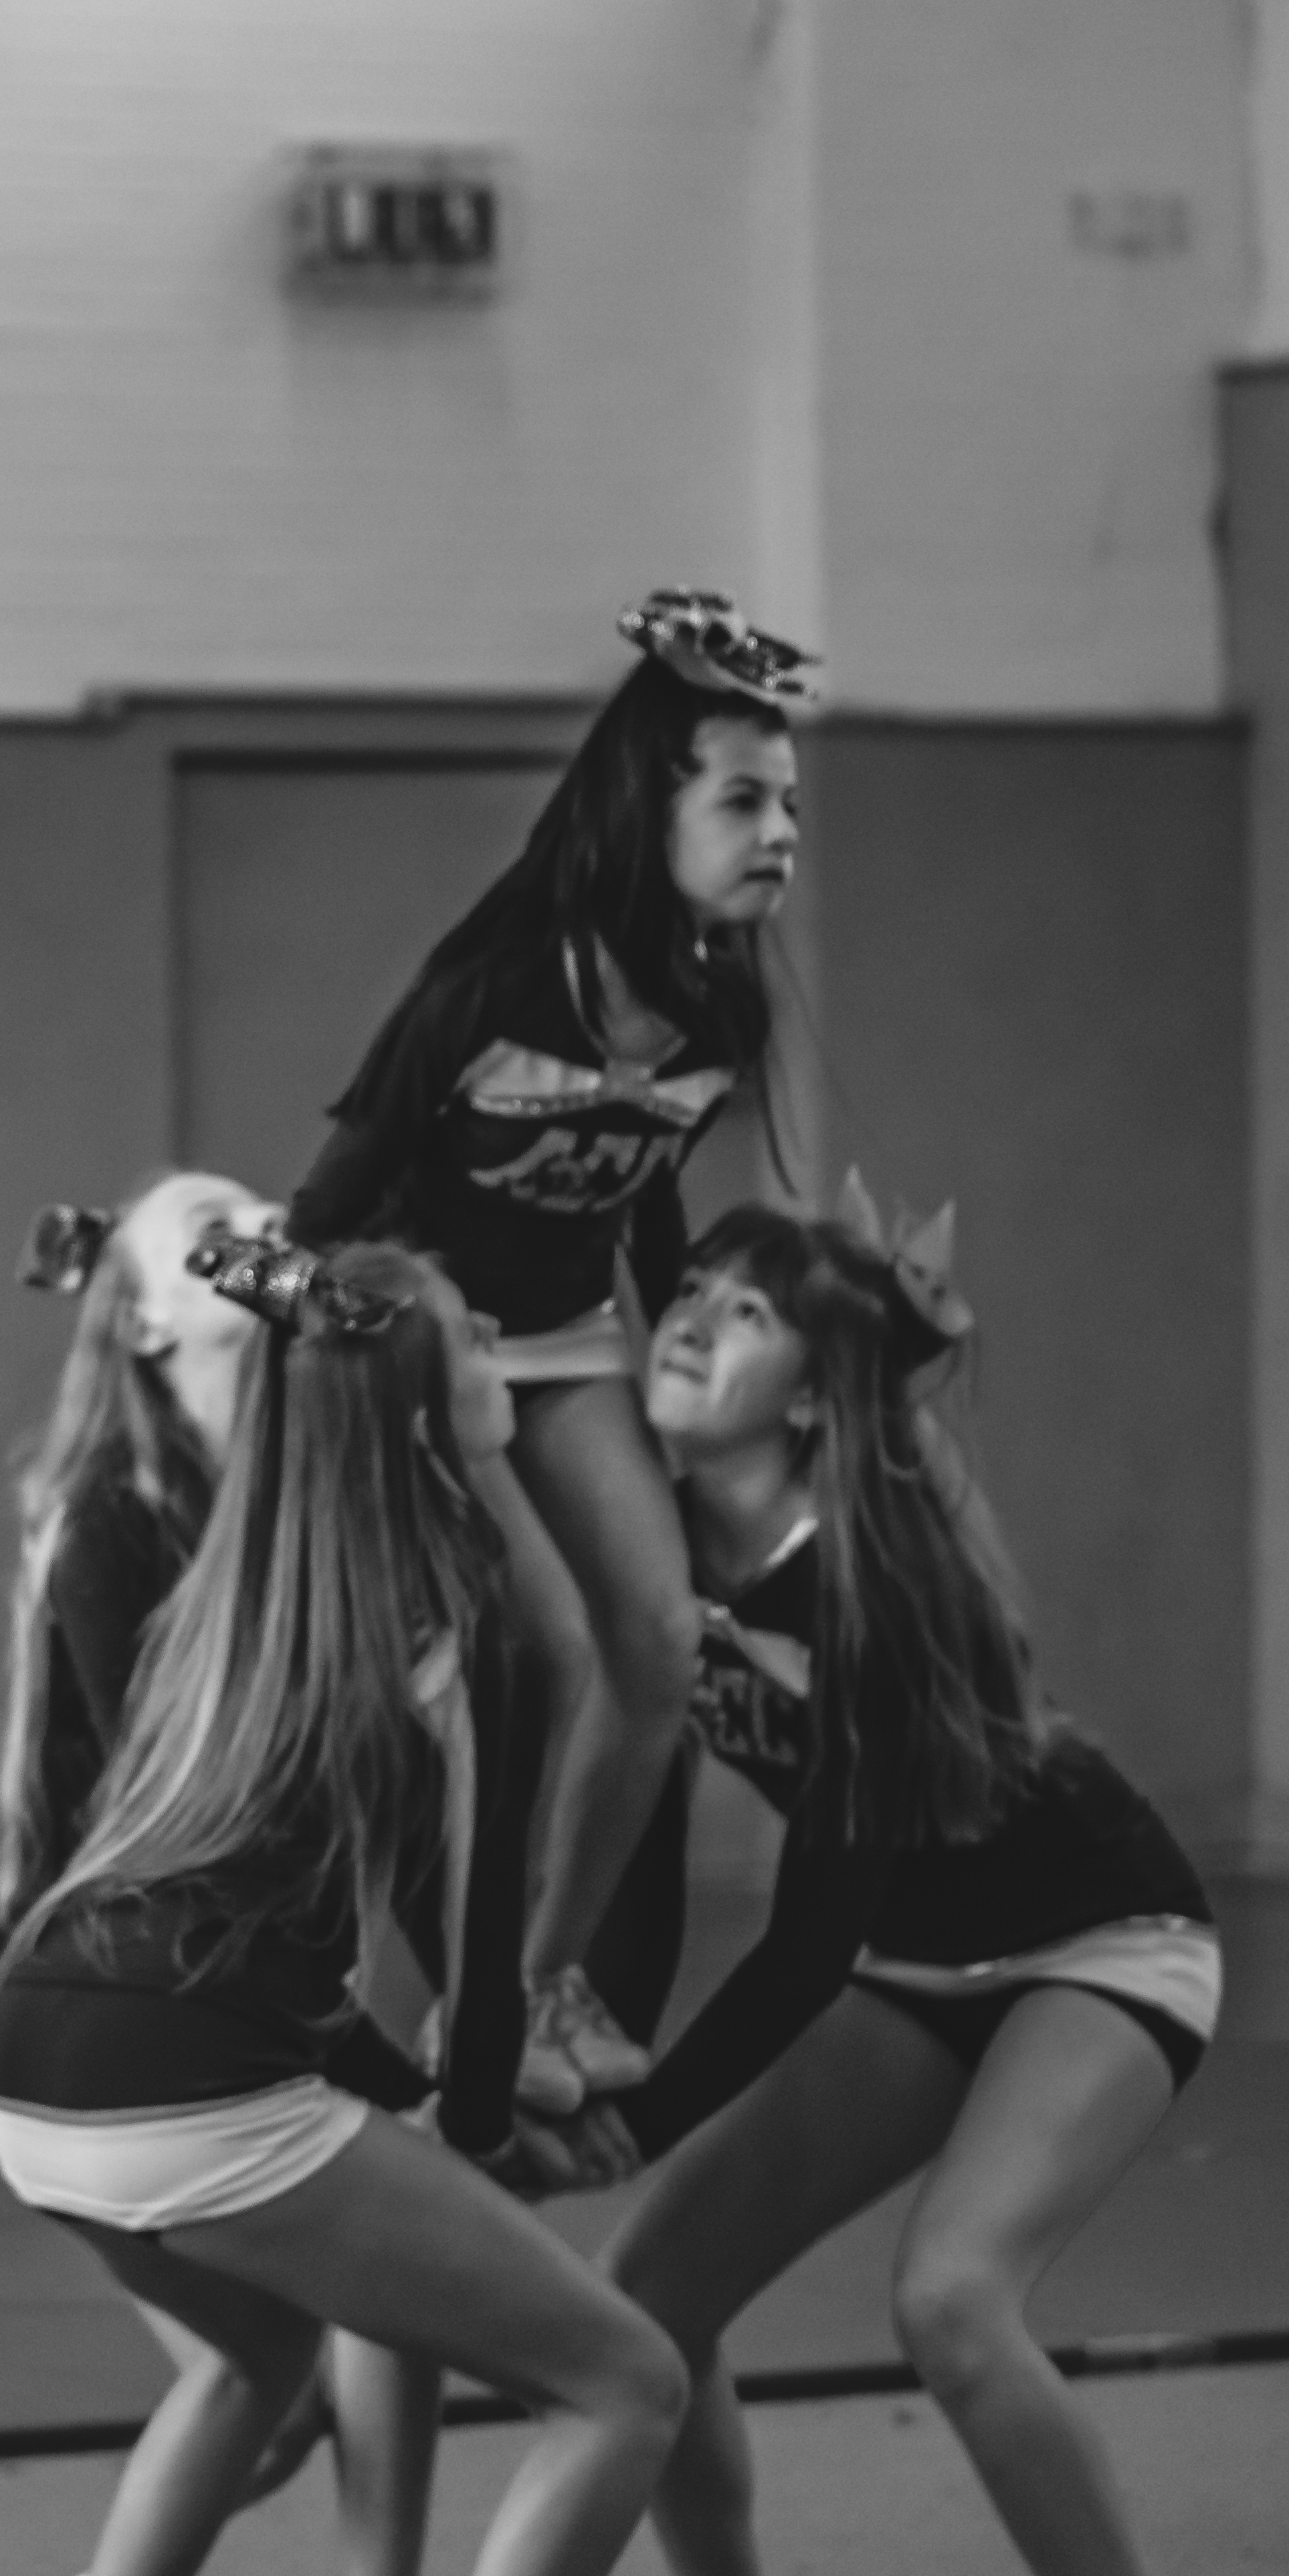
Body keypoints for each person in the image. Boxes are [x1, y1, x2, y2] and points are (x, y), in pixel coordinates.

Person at [0, 1223, 690, 2576]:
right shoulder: (449, 1607)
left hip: (38, 2059)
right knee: (626, 2383)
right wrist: (493, 2108)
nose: (504, 1361)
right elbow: (477, 1952)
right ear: (433, 1395)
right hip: (190, 2088)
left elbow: (284, 1953)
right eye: (476, 1342)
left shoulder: (227, 1563)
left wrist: (442, 2104)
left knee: (254, 2359)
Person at [527, 1200, 1240, 2576]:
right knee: (650, 2301)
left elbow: (808, 1935)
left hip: (1100, 1934)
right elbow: (631, 1814)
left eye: (750, 1308)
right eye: (691, 1289)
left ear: (818, 1395)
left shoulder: (854, 1571)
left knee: (954, 2295)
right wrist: (578, 2025)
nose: (697, 1316)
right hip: (927, 1953)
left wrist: (639, 2111)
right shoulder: (658, 1551)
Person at [288, 590, 809, 2114]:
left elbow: (646, 1204)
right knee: (552, 1648)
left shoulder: (723, 1005)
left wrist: (693, 1376)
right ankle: (457, 1977)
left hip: (573, 1344)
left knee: (661, 1645)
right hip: (431, 1352)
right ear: (642, 813)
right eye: (742, 798)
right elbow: (325, 1216)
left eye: (791, 802)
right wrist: (357, 1373)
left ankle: (530, 1987)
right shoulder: (496, 991)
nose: (779, 829)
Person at [0, 1184, 419, 2576]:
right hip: (102, 2015)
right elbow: (184, 1825)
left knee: (288, 2361)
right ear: (149, 1317)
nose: (259, 1222)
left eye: (260, 1203)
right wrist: (377, 2047)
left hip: (218, 2000)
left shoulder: (288, 1479)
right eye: (207, 1223)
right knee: (274, 2369)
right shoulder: (117, 1509)